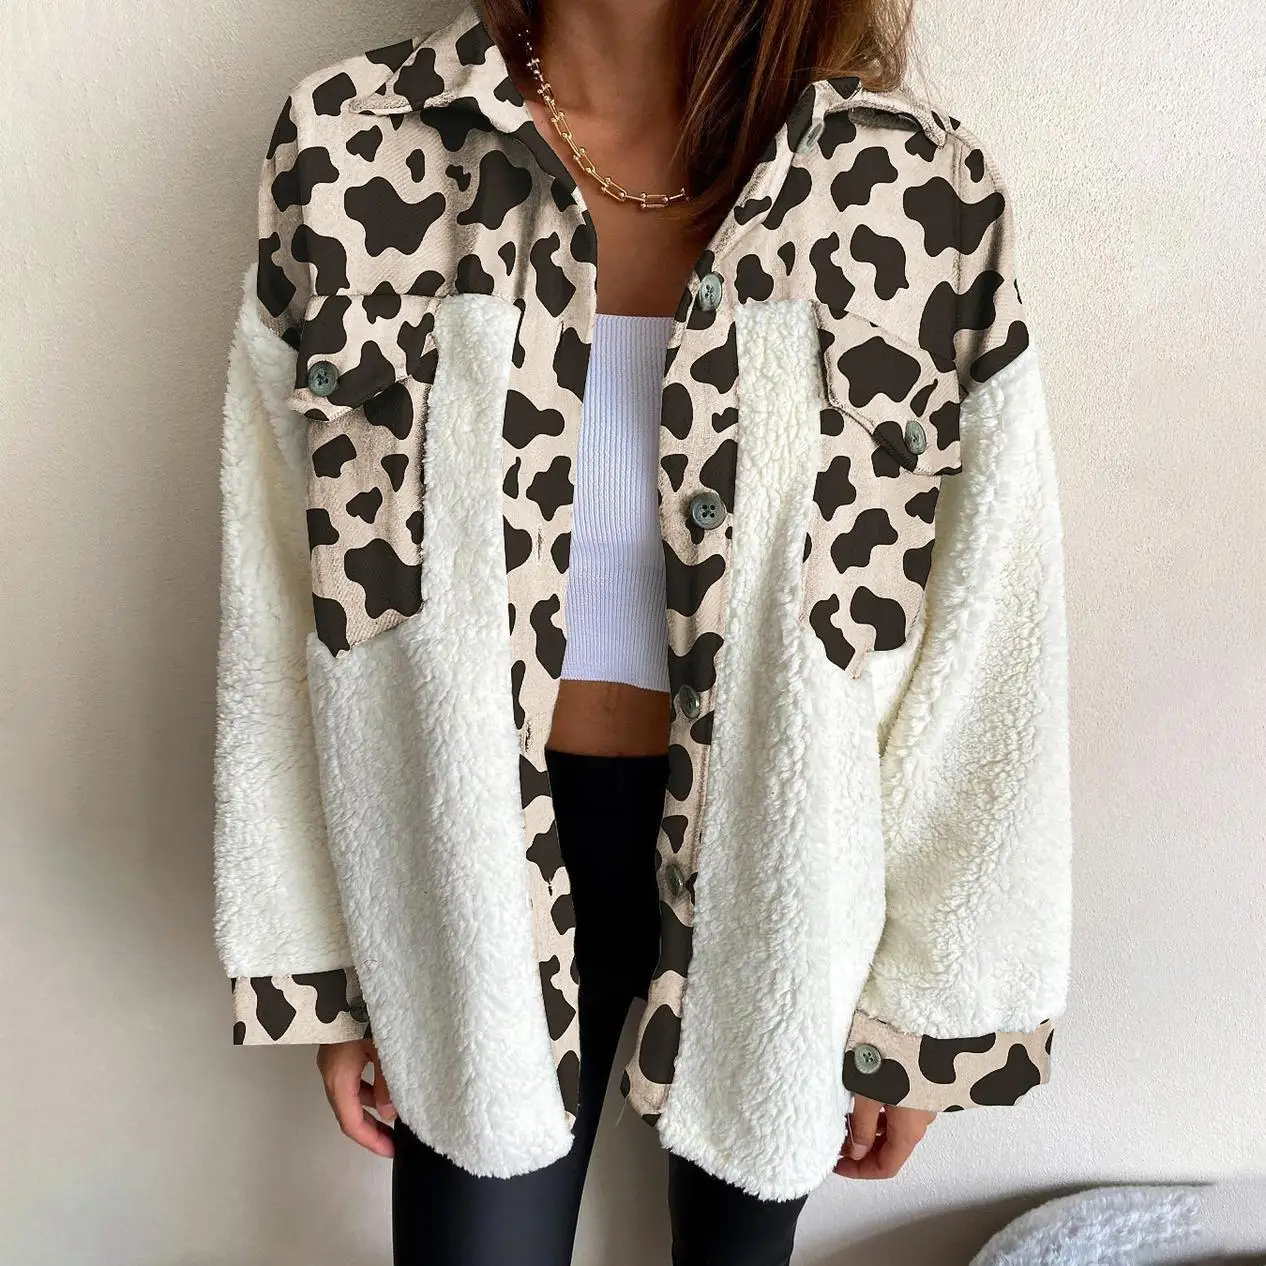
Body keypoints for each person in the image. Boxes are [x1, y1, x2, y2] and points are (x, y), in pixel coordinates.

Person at [212, 0, 1072, 1261]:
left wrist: (935, 1013)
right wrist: (321, 966)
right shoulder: (356, 146)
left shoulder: (909, 186)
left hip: (781, 874)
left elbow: (990, 622)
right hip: (456, 862)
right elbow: (283, 582)